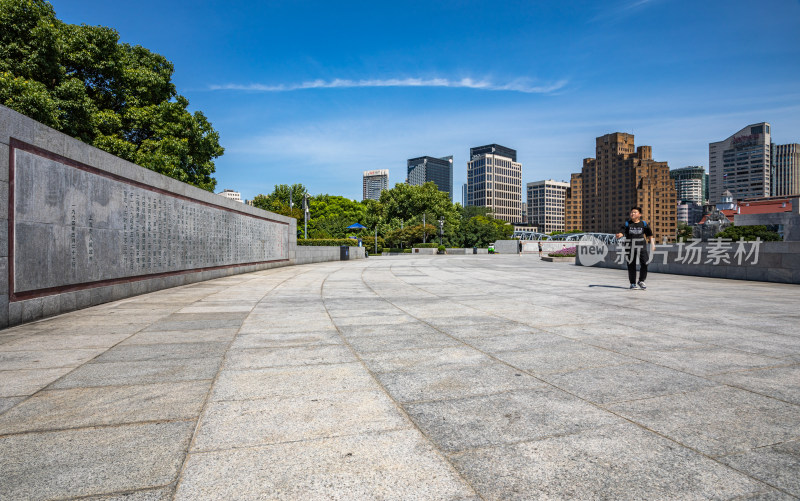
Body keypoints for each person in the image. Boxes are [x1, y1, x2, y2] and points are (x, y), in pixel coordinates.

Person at [615, 206, 654, 290]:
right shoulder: (627, 224)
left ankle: (641, 281)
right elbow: (621, 233)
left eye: (635, 212)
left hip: (641, 247)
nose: (632, 214)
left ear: (639, 214)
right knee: (631, 265)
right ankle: (632, 283)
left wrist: (653, 245)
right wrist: (619, 235)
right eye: (631, 212)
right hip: (630, 247)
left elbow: (650, 235)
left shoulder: (644, 224)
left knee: (645, 263)